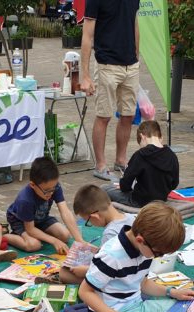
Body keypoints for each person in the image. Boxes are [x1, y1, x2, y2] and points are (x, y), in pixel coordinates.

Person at [79, 0, 140, 181]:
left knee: (128, 115)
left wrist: (137, 55)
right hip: (106, 63)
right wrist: (86, 75)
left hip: (131, 65)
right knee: (104, 115)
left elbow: (134, 23)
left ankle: (121, 160)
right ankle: (100, 165)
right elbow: (87, 36)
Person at [5, 157, 86, 254]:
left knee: (65, 235)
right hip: (21, 222)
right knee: (33, 245)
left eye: (53, 188)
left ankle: (40, 233)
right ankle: (4, 236)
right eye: (47, 190)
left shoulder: (53, 186)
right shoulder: (25, 199)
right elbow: (30, 229)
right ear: (32, 185)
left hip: (40, 219)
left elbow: (65, 212)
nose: (51, 193)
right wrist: (54, 241)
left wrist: (79, 240)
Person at [59, 184, 135, 284]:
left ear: (95, 216)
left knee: (64, 273)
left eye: (87, 221)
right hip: (136, 272)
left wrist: (83, 270)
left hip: (122, 280)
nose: (90, 224)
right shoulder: (132, 218)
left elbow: (105, 269)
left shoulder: (110, 233)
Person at [102, 120, 179, 208]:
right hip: (161, 199)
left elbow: (125, 185)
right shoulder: (172, 155)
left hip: (139, 201)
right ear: (161, 137)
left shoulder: (140, 155)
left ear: (142, 136)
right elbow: (174, 184)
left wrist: (125, 185)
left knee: (104, 188)